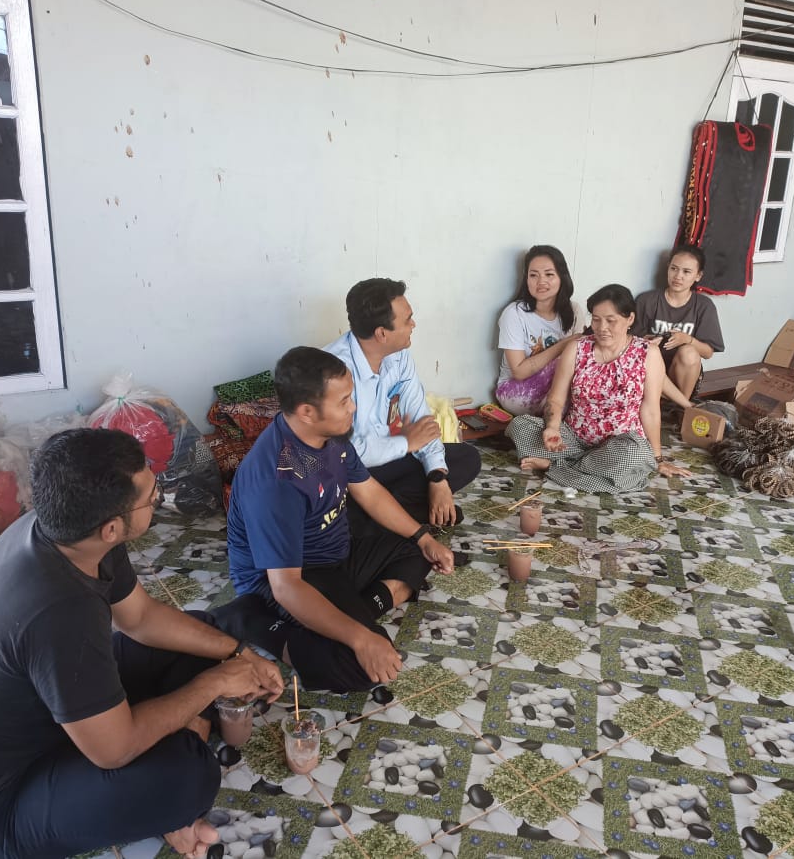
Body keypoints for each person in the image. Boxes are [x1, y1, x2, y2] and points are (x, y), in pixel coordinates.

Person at [0, 429, 284, 859]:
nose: (158, 499)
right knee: (187, 773)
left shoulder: (67, 532)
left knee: (201, 637)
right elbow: (114, 751)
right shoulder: (60, 611)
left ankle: (159, 782)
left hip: (42, 717)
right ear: (112, 527)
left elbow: (141, 618)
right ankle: (167, 803)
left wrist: (238, 654)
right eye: (153, 497)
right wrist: (215, 684)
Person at [225, 346, 455, 691]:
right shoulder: (278, 478)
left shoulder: (330, 437)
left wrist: (423, 537)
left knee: (418, 550)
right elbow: (286, 586)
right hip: (290, 578)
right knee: (361, 669)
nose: (354, 407)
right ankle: (249, 620)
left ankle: (344, 614)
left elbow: (369, 491)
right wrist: (361, 639)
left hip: (336, 555)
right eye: (344, 401)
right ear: (306, 411)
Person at [324, 278, 480, 528]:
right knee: (341, 495)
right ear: (382, 333)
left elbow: (421, 421)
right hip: (352, 475)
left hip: (390, 458)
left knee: (466, 458)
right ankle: (386, 518)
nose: (413, 324)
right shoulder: (335, 371)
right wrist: (406, 442)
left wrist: (437, 478)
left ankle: (385, 517)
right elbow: (345, 454)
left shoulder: (399, 356)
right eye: (408, 320)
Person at [507, 284, 692, 492]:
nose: (602, 328)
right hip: (574, 438)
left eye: (611, 320)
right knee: (520, 426)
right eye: (596, 319)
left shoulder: (648, 353)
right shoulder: (576, 348)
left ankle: (554, 467)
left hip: (620, 445)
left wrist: (658, 459)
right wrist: (552, 428)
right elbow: (556, 399)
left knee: (636, 455)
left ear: (630, 319)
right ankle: (586, 470)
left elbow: (650, 410)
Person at [495, 245, 585, 415]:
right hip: (516, 392)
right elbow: (519, 371)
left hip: (557, 393)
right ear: (526, 279)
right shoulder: (514, 313)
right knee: (568, 357)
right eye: (533, 275)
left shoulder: (574, 311)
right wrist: (564, 344)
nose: (541, 281)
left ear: (562, 277)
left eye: (549, 274)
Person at [631, 244, 724, 406]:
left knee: (689, 352)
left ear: (698, 276)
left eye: (686, 272)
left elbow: (708, 352)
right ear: (668, 268)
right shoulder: (647, 300)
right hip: (650, 370)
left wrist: (686, 339)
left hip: (684, 376)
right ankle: (680, 406)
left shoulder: (704, 306)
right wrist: (649, 340)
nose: (678, 276)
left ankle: (679, 407)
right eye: (674, 269)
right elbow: (629, 341)